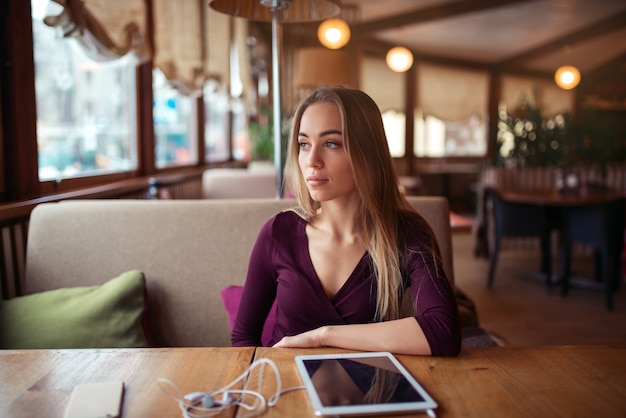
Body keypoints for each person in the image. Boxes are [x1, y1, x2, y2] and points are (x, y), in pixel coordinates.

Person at [231, 87, 461, 356]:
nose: (312, 161)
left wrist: (324, 336)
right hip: (283, 385)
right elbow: (243, 337)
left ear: (366, 152)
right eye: (304, 144)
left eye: (331, 144)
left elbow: (444, 331)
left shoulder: (406, 234)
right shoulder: (278, 233)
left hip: (370, 389)